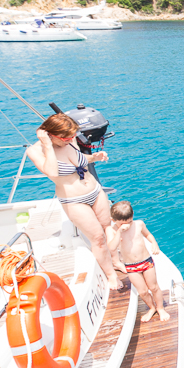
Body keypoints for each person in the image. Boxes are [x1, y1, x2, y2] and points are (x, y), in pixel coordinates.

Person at [26, 113, 116, 286]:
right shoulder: (35, 151)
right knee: (97, 238)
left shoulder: (70, 141)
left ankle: (115, 261)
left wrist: (95, 156)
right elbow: (52, 172)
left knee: (107, 227)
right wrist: (47, 145)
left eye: (73, 136)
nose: (71, 140)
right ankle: (110, 273)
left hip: (95, 192)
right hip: (74, 200)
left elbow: (80, 160)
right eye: (67, 137)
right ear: (51, 135)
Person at [107, 201, 169, 323]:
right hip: (131, 266)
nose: (127, 226)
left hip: (146, 262)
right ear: (113, 220)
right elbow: (112, 247)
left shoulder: (139, 224)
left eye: (129, 221)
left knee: (154, 287)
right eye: (122, 224)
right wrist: (119, 231)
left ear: (133, 215)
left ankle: (160, 308)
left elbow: (148, 234)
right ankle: (152, 308)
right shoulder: (112, 230)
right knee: (143, 291)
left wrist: (154, 243)